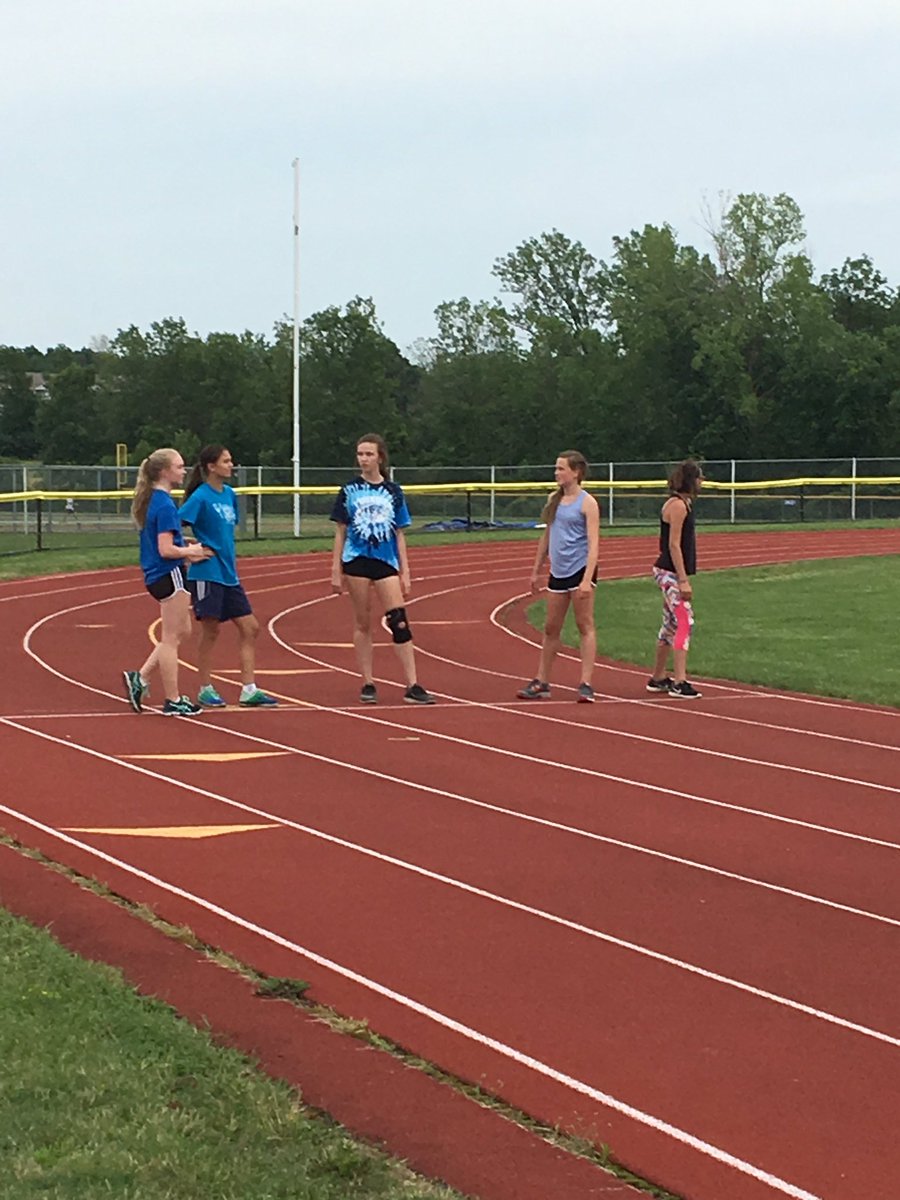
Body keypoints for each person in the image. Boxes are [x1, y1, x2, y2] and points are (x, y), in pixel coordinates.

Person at [330, 433, 435, 705]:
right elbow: (340, 532)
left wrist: (406, 572)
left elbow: (400, 533)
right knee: (363, 622)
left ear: (380, 457)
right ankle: (368, 681)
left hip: (386, 561)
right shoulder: (349, 491)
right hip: (356, 561)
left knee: (399, 620)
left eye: (368, 454)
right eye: (360, 454)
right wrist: (335, 569)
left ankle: (412, 683)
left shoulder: (393, 492)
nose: (363, 459)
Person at [178, 445, 277, 708]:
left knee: (250, 627)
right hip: (206, 572)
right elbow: (174, 524)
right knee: (211, 630)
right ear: (212, 466)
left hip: (228, 573)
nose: (231, 465)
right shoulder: (200, 497)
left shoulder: (230, 495)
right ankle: (205, 687)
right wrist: (188, 550)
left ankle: (248, 689)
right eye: (226, 461)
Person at [122, 448, 210, 717]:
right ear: (164, 471)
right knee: (171, 638)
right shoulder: (164, 504)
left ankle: (141, 677)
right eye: (179, 466)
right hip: (167, 573)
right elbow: (165, 549)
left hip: (161, 573)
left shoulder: (155, 501)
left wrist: (185, 549)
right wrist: (190, 552)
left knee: (183, 630)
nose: (184, 471)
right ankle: (173, 699)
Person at [516, 451, 601, 703]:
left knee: (584, 624)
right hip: (558, 571)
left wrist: (587, 579)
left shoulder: (588, 503)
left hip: (579, 569)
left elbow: (594, 544)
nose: (557, 473)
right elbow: (547, 536)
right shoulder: (554, 500)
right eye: (556, 468)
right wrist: (536, 569)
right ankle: (542, 680)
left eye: (561, 469)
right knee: (551, 627)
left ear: (575, 472)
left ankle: (586, 683)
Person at [646, 458, 704, 698]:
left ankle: (658, 677)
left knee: (670, 624)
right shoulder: (679, 506)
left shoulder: (679, 503)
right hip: (669, 572)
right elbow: (673, 544)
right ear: (692, 480)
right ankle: (680, 681)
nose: (702, 482)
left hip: (667, 571)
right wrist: (682, 579)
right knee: (684, 621)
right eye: (700, 477)